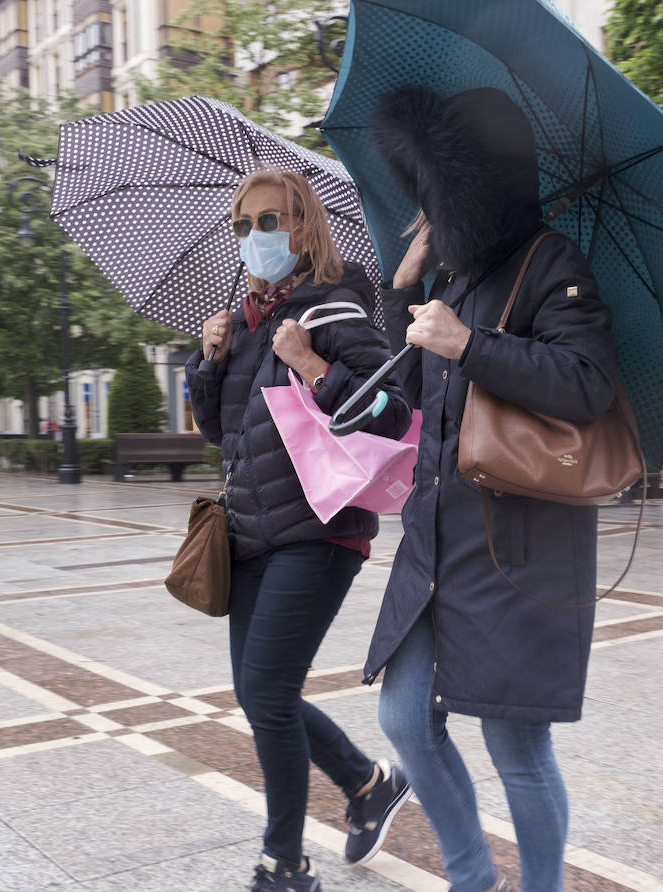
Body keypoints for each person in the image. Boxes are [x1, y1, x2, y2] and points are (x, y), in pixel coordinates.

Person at [365, 87, 622, 892]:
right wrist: (402, 295)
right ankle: (472, 877)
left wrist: (470, 342)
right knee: (405, 718)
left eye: (437, 189)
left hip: (521, 550)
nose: (426, 207)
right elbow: (407, 391)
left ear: (473, 187)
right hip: (437, 540)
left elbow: (585, 384)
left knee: (518, 750)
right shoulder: (454, 276)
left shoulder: (552, 262)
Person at [188, 166, 415, 892]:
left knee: (268, 693)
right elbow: (224, 433)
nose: (254, 239)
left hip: (320, 531)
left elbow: (393, 412)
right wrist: (208, 360)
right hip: (251, 534)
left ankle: (284, 862)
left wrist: (312, 364)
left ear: (302, 226)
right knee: (261, 696)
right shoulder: (249, 323)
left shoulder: (330, 309)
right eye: (243, 227)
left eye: (269, 222)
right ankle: (367, 784)